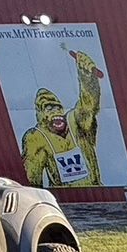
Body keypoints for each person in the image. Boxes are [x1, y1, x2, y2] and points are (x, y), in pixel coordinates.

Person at [21, 46, 105, 188]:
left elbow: (88, 106)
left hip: (95, 189)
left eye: (57, 107)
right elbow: (33, 178)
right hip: (64, 194)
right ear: (40, 115)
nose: (56, 112)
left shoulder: (74, 121)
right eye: (49, 108)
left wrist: (86, 77)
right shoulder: (36, 137)